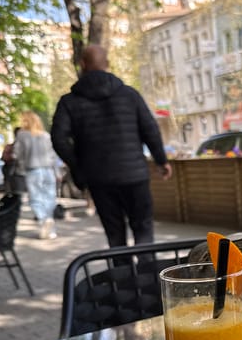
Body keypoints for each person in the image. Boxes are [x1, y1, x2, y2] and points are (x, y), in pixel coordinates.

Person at [51, 44, 172, 248]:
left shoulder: (69, 102)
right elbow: (150, 129)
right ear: (107, 64)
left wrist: (79, 166)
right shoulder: (129, 95)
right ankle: (147, 277)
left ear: (82, 64)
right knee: (143, 230)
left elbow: (58, 139)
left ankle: (122, 279)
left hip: (99, 178)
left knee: (115, 235)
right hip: (134, 175)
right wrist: (161, 160)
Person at [14, 112, 58, 239]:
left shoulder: (22, 135)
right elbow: (53, 155)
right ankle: (50, 228)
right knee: (50, 198)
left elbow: (17, 153)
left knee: (36, 199)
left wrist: (21, 167)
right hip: (48, 170)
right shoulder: (46, 135)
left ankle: (43, 220)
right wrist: (57, 172)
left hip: (33, 170)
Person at [1, 127, 27, 194]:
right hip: (12, 172)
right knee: (14, 193)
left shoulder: (25, 145)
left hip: (20, 172)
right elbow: (4, 158)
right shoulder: (10, 147)